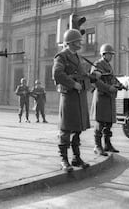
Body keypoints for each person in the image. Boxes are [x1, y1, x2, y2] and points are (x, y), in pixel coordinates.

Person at [52, 29, 98, 172]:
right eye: (78, 41)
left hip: (79, 97)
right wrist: (73, 84)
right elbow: (57, 74)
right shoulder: (62, 56)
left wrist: (93, 76)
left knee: (77, 130)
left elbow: (82, 75)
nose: (80, 43)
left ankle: (76, 158)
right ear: (71, 42)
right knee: (65, 130)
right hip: (69, 97)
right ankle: (64, 160)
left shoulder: (78, 57)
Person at [91, 43, 125, 156]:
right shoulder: (97, 64)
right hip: (101, 97)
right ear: (104, 54)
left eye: (112, 54)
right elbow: (95, 81)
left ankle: (107, 144)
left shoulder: (108, 66)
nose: (111, 56)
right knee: (100, 123)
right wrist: (108, 88)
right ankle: (97, 146)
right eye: (109, 54)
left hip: (109, 98)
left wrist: (119, 84)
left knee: (108, 123)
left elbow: (112, 78)